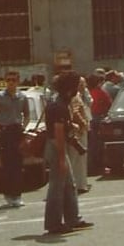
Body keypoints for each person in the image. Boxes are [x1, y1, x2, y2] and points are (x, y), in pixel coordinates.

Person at [43, 71, 93, 234]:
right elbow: (58, 132)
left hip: (58, 144)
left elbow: (63, 125)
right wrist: (61, 158)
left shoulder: (60, 102)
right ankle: (54, 224)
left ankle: (73, 219)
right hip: (57, 145)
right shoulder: (59, 105)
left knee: (69, 185)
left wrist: (73, 126)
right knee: (57, 187)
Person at [0, 71, 30, 208]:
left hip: (17, 131)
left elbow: (27, 115)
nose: (11, 82)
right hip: (4, 132)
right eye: (8, 80)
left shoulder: (22, 97)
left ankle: (17, 195)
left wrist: (23, 127)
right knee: (7, 164)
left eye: (13, 80)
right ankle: (8, 194)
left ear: (18, 82)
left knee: (18, 164)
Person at [69, 77, 91, 194]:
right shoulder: (76, 96)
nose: (84, 86)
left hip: (78, 130)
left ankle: (81, 183)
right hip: (79, 131)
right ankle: (79, 184)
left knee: (80, 159)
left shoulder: (80, 96)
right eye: (81, 84)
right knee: (78, 158)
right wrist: (84, 124)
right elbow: (76, 112)